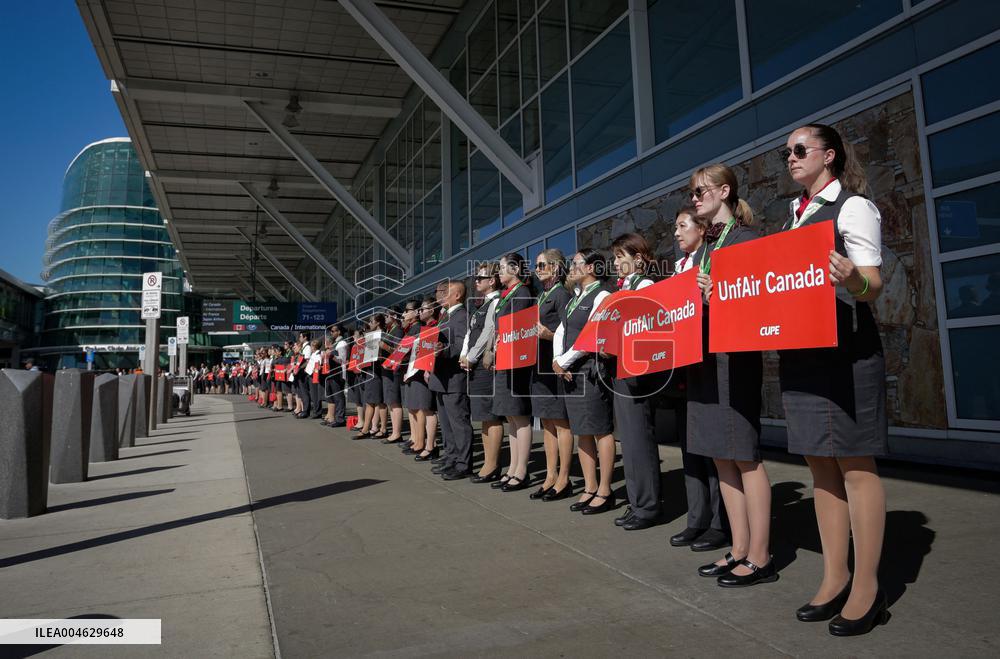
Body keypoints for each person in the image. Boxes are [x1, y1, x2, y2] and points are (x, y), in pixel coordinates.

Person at [778, 123, 889, 636]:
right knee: (819, 463)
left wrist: (852, 278)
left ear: (830, 155)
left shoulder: (853, 206)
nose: (791, 158)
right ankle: (834, 575)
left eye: (800, 150)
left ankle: (867, 586)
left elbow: (873, 285)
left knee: (854, 463)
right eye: (787, 153)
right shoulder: (794, 216)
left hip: (847, 351)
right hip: (804, 353)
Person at [687, 163, 774, 588]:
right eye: (692, 193)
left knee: (744, 456)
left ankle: (760, 555)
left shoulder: (746, 239)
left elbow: (759, 301)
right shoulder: (706, 246)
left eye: (701, 191)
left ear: (724, 191)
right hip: (704, 360)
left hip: (734, 361)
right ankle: (738, 547)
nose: (695, 198)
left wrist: (718, 296)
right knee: (721, 456)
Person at [668, 206, 728, 551]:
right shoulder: (678, 267)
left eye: (682, 226)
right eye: (675, 227)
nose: (676, 233)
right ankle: (698, 519)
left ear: (701, 230)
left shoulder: (712, 259)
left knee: (713, 450)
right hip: (684, 367)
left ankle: (720, 524)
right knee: (691, 447)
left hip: (708, 361)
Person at [609, 232, 669, 531]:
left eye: (622, 256)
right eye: (616, 257)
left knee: (639, 439)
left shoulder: (644, 286)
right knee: (629, 442)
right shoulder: (623, 288)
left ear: (640, 259)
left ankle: (647, 505)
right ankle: (638, 502)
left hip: (638, 373)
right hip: (622, 369)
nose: (616, 262)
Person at [553, 249, 617, 515]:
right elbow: (561, 331)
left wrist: (563, 361)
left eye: (577, 263)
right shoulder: (574, 298)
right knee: (583, 431)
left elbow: (591, 335)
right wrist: (557, 360)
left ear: (591, 268)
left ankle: (605, 489)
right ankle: (589, 487)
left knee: (600, 429)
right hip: (570, 374)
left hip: (590, 372)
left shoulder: (602, 295)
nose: (572, 267)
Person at [530, 249, 574, 501]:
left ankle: (564, 478)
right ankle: (550, 476)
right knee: (546, 423)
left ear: (556, 268)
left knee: (560, 423)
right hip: (539, 367)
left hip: (554, 366)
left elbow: (569, 329)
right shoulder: (541, 296)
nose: (537, 269)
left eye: (542, 264)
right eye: (536, 265)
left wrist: (548, 334)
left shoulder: (561, 294)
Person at [491, 253, 536, 492]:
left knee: (519, 416)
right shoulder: (506, 295)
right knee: (510, 417)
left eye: (501, 268)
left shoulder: (522, 294)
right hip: (504, 361)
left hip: (516, 363)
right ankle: (512, 468)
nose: (498, 272)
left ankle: (521, 471)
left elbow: (519, 331)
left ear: (516, 269)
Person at [459, 263, 504, 482]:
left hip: (484, 366)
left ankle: (492, 464)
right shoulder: (482, 304)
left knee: (490, 416)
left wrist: (472, 356)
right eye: (476, 277)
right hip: (474, 365)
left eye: (480, 277)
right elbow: (471, 332)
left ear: (492, 280)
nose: (476, 281)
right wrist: (464, 353)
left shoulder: (496, 302)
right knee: (483, 418)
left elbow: (489, 332)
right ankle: (488, 462)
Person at [428, 280, 473, 479]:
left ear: (457, 295)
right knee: (446, 424)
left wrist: (443, 351)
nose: (441, 295)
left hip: (453, 377)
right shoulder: (445, 316)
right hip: (441, 377)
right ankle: (452, 457)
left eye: (446, 292)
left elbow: (462, 345)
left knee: (458, 423)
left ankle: (463, 463)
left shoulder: (461, 316)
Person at [405, 297, 440, 461]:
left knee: (427, 409)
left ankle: (429, 445)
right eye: (418, 310)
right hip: (418, 370)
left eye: (422, 309)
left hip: (426, 372)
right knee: (422, 409)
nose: (420, 312)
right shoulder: (424, 327)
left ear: (432, 311)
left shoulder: (434, 326)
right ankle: (425, 444)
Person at [355, 315, 387, 438]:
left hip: (376, 370)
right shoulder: (371, 335)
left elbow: (382, 354)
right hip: (370, 369)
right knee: (372, 401)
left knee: (376, 402)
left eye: (371, 321)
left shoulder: (382, 335)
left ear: (378, 322)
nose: (369, 323)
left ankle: (372, 428)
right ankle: (371, 427)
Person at [380, 306, 406, 443]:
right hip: (387, 369)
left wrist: (385, 347)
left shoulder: (398, 331)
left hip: (393, 371)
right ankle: (395, 432)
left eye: (387, 316)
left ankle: (397, 433)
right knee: (390, 402)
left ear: (394, 317)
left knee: (394, 402)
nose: (385, 318)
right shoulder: (390, 330)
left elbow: (399, 351)